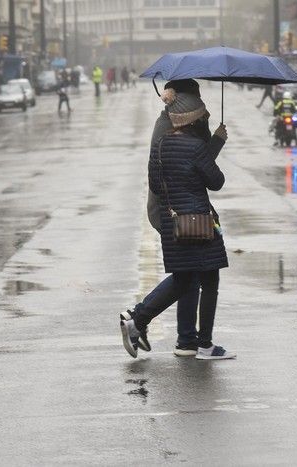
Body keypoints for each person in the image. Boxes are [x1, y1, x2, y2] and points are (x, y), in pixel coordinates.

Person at [120, 88, 235, 360]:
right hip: (199, 223)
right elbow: (215, 182)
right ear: (194, 118)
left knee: (184, 278)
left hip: (173, 223)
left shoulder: (160, 144)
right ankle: (203, 344)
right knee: (208, 278)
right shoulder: (196, 147)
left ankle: (145, 322)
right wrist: (214, 145)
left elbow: (157, 184)